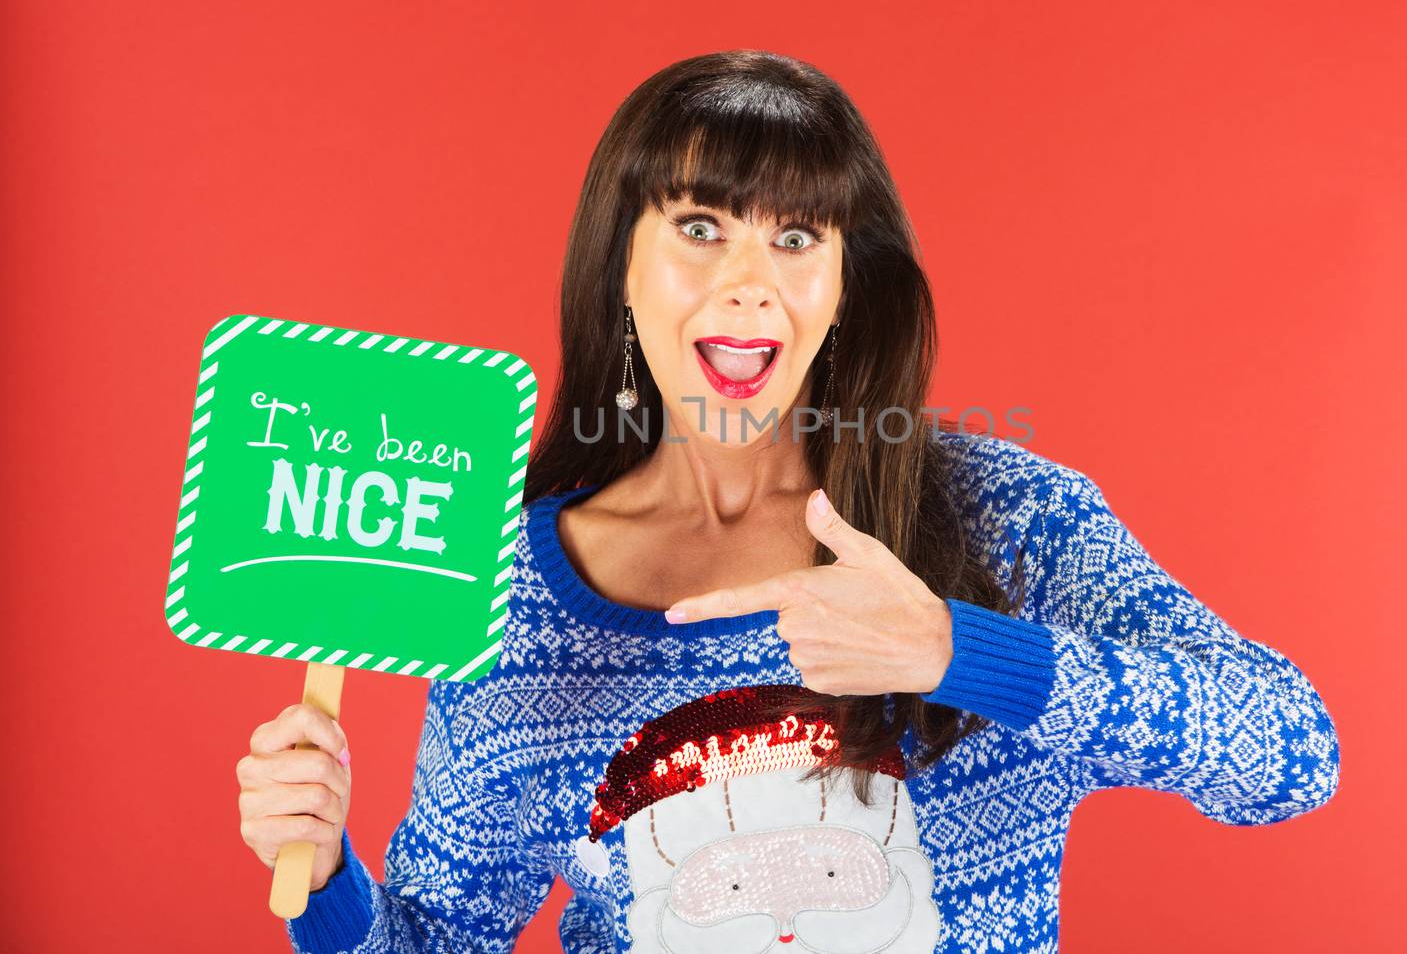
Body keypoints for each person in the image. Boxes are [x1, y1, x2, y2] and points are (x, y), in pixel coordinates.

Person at [236, 49, 1340, 953]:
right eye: (701, 227)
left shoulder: (1007, 520)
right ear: (620, 266)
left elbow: (1291, 755)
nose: (748, 280)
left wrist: (959, 649)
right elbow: (435, 939)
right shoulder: (512, 594)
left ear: (843, 285)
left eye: (797, 237)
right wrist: (326, 877)